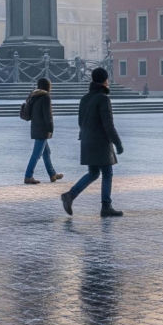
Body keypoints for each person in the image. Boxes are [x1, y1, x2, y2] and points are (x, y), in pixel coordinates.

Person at [60, 67, 123, 218]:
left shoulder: (85, 98)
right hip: (101, 142)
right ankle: (106, 206)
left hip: (87, 140)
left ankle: (70, 195)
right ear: (105, 80)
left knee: (93, 173)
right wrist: (118, 143)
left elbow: (80, 121)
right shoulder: (103, 98)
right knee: (107, 173)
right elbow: (108, 124)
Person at [23, 77, 62, 184]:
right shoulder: (45, 97)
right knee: (36, 154)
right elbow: (48, 115)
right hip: (43, 130)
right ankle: (28, 176)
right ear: (48, 86)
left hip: (36, 128)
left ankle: (52, 174)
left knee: (46, 152)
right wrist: (50, 129)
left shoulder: (34, 96)